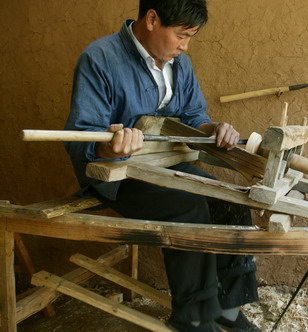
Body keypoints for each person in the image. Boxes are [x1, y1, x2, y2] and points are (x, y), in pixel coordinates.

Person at [64, 1, 260, 331]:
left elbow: (195, 117)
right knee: (190, 207)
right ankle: (194, 318)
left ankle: (227, 309)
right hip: (118, 173)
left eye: (190, 37)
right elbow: (80, 137)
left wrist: (213, 130)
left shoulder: (178, 65)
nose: (185, 46)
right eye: (181, 35)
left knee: (230, 199)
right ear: (152, 19)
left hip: (166, 164)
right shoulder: (100, 58)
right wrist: (112, 146)